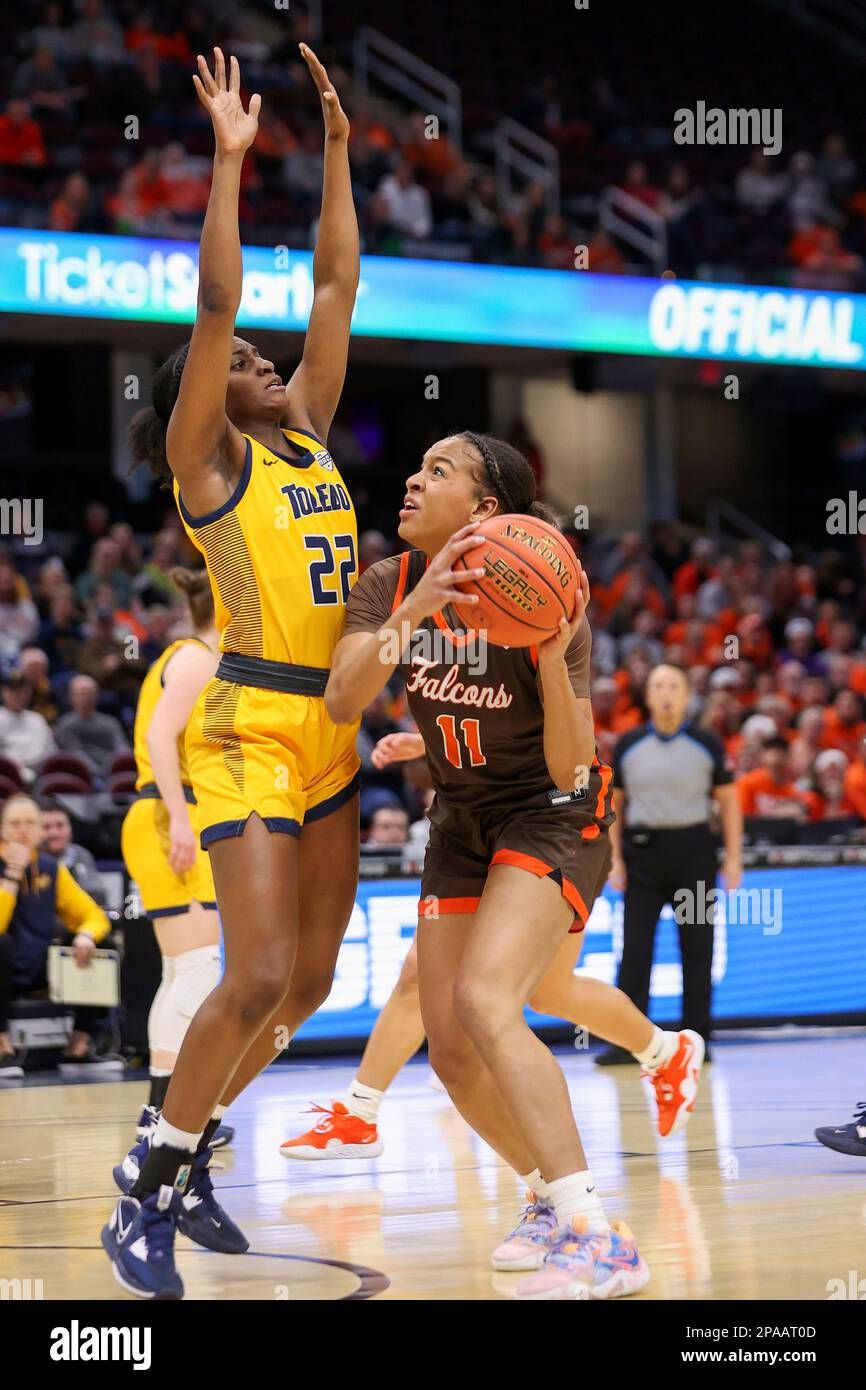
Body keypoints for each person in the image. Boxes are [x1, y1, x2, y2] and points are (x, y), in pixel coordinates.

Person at [321, 432, 707, 1300]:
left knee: (489, 997)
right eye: (417, 467)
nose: (415, 479)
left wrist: (544, 654)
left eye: (441, 471)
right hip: (461, 816)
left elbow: (573, 764)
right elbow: (343, 696)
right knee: (454, 1049)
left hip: (553, 812)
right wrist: (416, 607)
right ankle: (542, 1194)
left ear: (488, 512)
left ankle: (597, 1234)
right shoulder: (387, 583)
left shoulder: (548, 595)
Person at [102, 44, 362, 1301]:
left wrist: (341, 157)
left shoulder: (306, 435)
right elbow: (219, 305)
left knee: (305, 985)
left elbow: (333, 284)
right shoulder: (213, 461)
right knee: (251, 972)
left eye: (270, 358)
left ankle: (186, 1150)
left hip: (332, 733)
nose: (266, 357)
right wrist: (226, 161)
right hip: (251, 723)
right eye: (247, 361)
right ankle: (147, 1186)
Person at [282, 723, 706, 1167]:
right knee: (541, 989)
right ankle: (665, 1052)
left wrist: (432, 745)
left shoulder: (535, 656)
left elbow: (535, 734)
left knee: (533, 991)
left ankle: (564, 1180)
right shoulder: (442, 658)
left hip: (554, 818)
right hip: (483, 824)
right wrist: (429, 743)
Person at [116, 569, 233, 1171]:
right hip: (168, 814)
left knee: (181, 970)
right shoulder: (195, 658)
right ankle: (165, 1111)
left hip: (167, 813)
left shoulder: (189, 655)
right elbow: (163, 739)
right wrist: (181, 822)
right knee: (197, 968)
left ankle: (163, 1109)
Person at [595, 664, 742, 1067]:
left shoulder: (706, 743)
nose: (665, 693)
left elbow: (729, 801)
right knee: (635, 951)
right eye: (658, 685)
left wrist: (733, 857)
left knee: (697, 949)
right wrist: (614, 860)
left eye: (673, 685)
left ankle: (697, 1039)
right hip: (642, 855)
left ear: (686, 695)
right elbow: (614, 805)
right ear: (647, 696)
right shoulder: (628, 744)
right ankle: (629, 1042)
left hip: (694, 853)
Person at [0, 793, 117, 1079]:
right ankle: (2, 1044)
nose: (22, 829)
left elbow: (93, 915)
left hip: (38, 965)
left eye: (30, 822)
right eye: (15, 823)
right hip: (3, 967)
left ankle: (78, 1044)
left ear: (40, 830)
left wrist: (87, 936)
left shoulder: (52, 868)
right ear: (3, 829)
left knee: (102, 943)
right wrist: (13, 875)